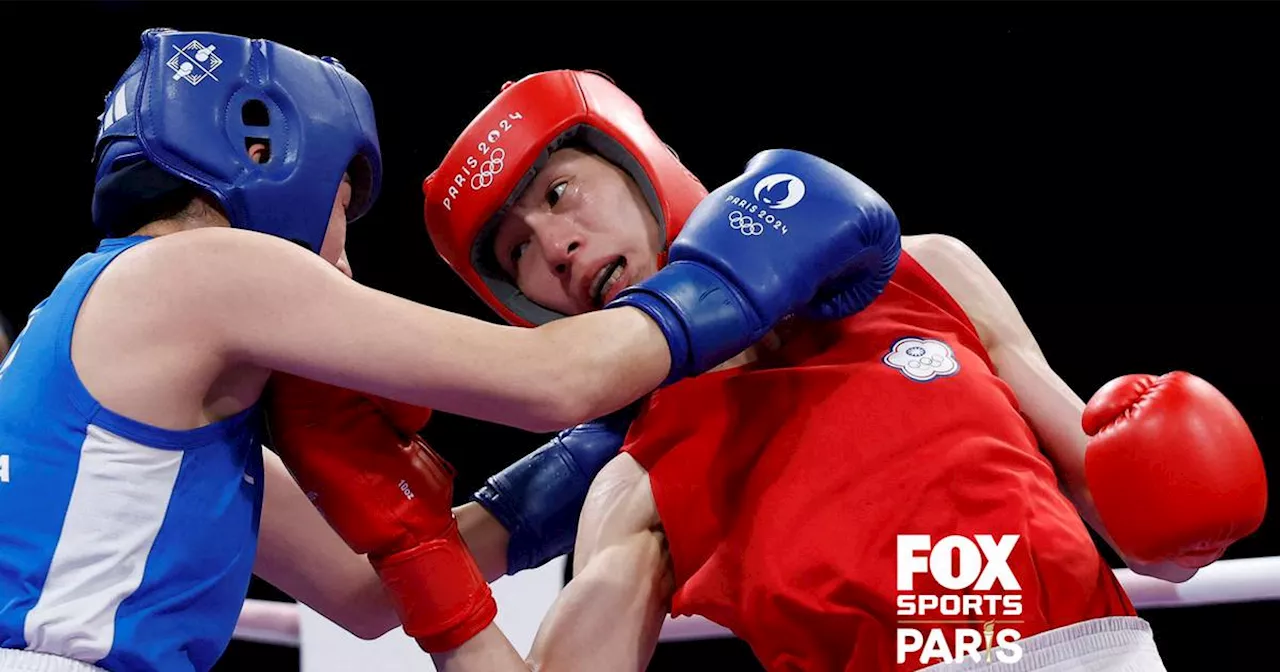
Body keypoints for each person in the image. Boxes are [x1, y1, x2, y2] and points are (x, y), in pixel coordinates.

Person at [0, 28, 900, 672]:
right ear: (269, 151)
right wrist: (738, 267)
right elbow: (557, 380)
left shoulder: (150, 385)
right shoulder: (200, 270)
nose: (343, 258)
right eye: (344, 214)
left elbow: (364, 597)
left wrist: (575, 470)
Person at [418, 70, 1269, 671]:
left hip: (1094, 654)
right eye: (518, 249)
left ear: (639, 160)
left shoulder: (927, 269)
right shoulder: (637, 472)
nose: (555, 249)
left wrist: (1175, 492)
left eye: (560, 193)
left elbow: (1138, 533)